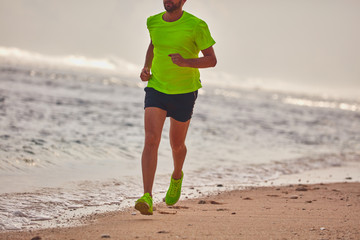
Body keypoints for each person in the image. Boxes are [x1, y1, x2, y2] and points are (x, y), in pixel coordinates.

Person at [135, 0, 217, 215]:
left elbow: (211, 60)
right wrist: (146, 67)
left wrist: (186, 62)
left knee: (176, 144)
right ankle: (147, 196)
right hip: (157, 88)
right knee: (151, 139)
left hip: (184, 92)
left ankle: (177, 175)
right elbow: (153, 45)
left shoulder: (196, 25)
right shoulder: (153, 22)